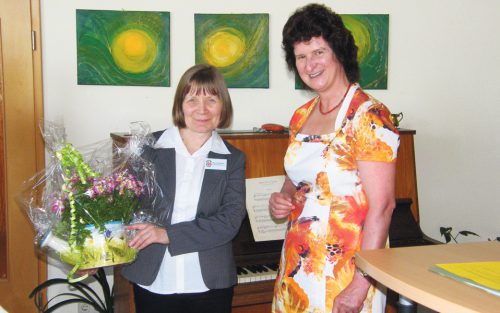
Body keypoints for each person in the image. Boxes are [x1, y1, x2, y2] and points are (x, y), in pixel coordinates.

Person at [269, 4, 400, 313]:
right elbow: (296, 179)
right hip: (297, 266)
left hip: (348, 270)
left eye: (318, 52)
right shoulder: (301, 116)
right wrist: (282, 196)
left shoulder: (370, 117)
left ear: (338, 52)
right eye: (301, 56)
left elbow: (383, 207)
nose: (309, 64)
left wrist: (360, 284)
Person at [121, 64, 246, 313]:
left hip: (210, 285)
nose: (202, 110)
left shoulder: (232, 158)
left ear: (223, 107)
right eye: (192, 100)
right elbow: (123, 207)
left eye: (212, 100)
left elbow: (230, 221)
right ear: (180, 105)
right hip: (154, 279)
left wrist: (167, 234)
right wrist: (91, 251)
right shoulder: (147, 149)